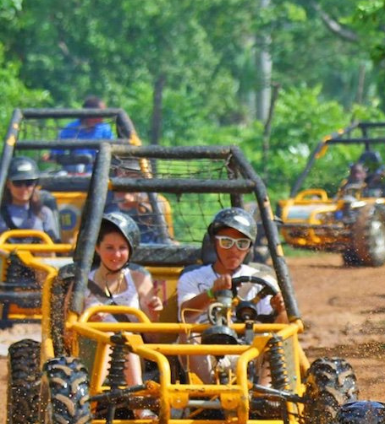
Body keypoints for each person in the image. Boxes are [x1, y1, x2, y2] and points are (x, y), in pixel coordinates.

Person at [177, 207, 286, 382]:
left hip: (250, 351)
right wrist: (211, 293)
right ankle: (207, 397)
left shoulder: (263, 280)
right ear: (214, 242)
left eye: (242, 244)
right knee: (188, 333)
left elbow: (281, 329)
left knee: (275, 340)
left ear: (249, 247)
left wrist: (280, 311)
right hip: (205, 349)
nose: (234, 250)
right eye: (226, 242)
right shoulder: (192, 277)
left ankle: (265, 399)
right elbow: (186, 313)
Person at [81, 213, 164, 407]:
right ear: (97, 248)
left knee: (123, 338)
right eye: (109, 248)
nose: (116, 255)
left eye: (122, 248)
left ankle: (135, 405)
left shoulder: (138, 279)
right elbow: (66, 332)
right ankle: (90, 404)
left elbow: (154, 338)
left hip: (132, 349)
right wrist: (90, 324)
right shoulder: (82, 282)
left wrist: (154, 313)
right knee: (114, 337)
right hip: (89, 350)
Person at [105, 157, 173, 244]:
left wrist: (141, 205)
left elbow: (168, 239)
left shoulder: (157, 201)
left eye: (134, 173)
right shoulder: (103, 198)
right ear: (117, 172)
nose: (127, 176)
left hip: (150, 250)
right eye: (124, 172)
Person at [0, 157, 61, 242]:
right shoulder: (1, 215)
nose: (23, 188)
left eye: (29, 183)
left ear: (35, 184)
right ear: (8, 184)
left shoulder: (44, 213)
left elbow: (54, 250)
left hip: (38, 255)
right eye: (17, 183)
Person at [50, 96, 114, 165]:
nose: (104, 116)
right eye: (101, 113)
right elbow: (56, 153)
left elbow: (113, 151)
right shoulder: (71, 129)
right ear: (90, 113)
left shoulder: (105, 129)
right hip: (74, 171)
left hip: (98, 172)